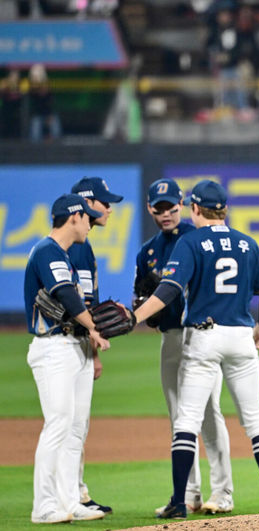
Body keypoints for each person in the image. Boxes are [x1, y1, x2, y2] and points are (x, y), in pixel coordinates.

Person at [132, 180, 259, 518]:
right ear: (225, 209)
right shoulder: (247, 242)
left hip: (204, 336)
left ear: (194, 209)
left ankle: (179, 502)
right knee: (256, 420)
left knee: (187, 419)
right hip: (241, 337)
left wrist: (134, 317)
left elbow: (170, 289)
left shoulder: (191, 241)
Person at [134, 178, 234, 515]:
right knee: (179, 417)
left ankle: (222, 492)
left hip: (202, 337)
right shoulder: (147, 252)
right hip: (170, 339)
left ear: (183, 204)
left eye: (171, 206)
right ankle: (188, 494)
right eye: (158, 208)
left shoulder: (200, 238)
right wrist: (143, 307)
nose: (166, 213)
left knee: (210, 414)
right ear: (150, 209)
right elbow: (142, 296)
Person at [24, 193, 111, 524]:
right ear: (73, 218)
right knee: (58, 424)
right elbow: (64, 293)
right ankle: (44, 505)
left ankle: (70, 502)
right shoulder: (47, 251)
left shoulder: (64, 255)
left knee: (75, 428)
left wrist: (89, 335)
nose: (91, 221)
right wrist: (95, 327)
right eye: (87, 216)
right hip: (53, 349)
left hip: (74, 348)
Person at [67, 176, 123, 515]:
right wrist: (93, 348)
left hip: (75, 343)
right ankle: (70, 494)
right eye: (104, 202)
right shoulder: (78, 246)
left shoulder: (74, 244)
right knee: (73, 425)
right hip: (71, 343)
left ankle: (77, 491)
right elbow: (83, 302)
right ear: (87, 204)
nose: (109, 208)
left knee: (75, 424)